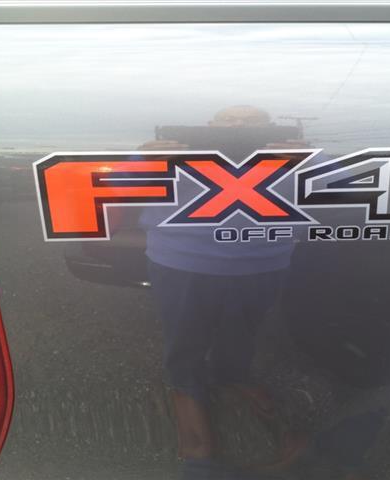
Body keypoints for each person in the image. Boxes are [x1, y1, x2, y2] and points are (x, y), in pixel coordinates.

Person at [139, 106, 310, 479]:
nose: (238, 127)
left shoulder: (290, 153)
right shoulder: (175, 149)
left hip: (263, 265)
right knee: (184, 337)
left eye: (251, 122)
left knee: (244, 332)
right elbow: (114, 189)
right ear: (208, 125)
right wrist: (145, 161)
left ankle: (232, 377)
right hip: (181, 265)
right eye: (228, 120)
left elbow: (345, 188)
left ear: (270, 127)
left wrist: (307, 162)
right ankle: (187, 393)